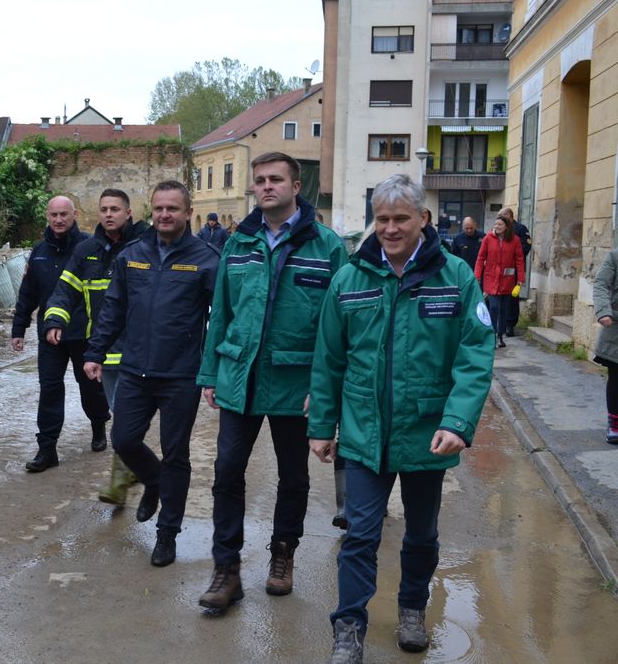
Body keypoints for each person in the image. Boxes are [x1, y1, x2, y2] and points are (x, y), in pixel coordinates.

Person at [307, 174, 494, 662]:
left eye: (400, 219)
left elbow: (475, 354)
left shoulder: (455, 276)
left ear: (423, 219)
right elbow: (329, 359)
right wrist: (321, 427)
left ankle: (412, 608)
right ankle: (348, 627)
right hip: (363, 432)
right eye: (382, 219)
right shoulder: (351, 278)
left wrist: (457, 422)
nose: (389, 229)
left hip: (426, 432)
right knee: (359, 534)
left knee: (422, 534)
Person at [195, 152, 347, 613]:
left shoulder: (327, 246)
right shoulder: (239, 242)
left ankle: (283, 554)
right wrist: (210, 374)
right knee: (226, 473)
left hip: (295, 383)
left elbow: (338, 328)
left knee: (293, 477)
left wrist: (325, 390)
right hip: (239, 377)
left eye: (275, 179)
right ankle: (227, 569)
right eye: (259, 180)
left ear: (295, 186)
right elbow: (221, 313)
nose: (266, 186)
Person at [83, 180, 219, 567]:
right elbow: (113, 308)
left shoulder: (208, 259)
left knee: (176, 454)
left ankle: (167, 534)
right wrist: (95, 352)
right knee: (123, 439)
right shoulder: (133, 255)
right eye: (159, 208)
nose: (164, 214)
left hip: (180, 376)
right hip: (135, 369)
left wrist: (213, 371)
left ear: (188, 212)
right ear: (151, 212)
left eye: (172, 208)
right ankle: (153, 480)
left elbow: (221, 320)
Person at [43, 189, 148, 505]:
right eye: (104, 209)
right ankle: (129, 469)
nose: (109, 214)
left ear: (129, 213)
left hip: (141, 349)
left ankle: (127, 478)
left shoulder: (146, 246)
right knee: (122, 414)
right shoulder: (87, 251)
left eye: (115, 208)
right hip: (106, 350)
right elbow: (66, 289)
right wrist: (55, 320)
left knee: (129, 416)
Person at [12, 196, 111, 473]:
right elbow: (28, 294)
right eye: (54, 214)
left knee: (90, 387)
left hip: (84, 333)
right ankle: (47, 449)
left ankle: (98, 424)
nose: (58, 220)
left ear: (74, 215)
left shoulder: (90, 247)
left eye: (63, 214)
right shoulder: (39, 251)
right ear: (47, 216)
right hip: (50, 335)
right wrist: (19, 328)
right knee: (50, 389)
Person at [474, 215, 524, 349]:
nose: (496, 227)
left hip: (507, 280)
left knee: (503, 310)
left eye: (500, 224)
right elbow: (480, 257)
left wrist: (520, 279)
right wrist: (477, 275)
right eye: (495, 224)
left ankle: (500, 335)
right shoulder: (488, 238)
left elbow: (519, 259)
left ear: (506, 227)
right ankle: (492, 335)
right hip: (491, 278)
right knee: (494, 307)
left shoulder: (515, 240)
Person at [591, 250, 618, 444]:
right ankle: (615, 424)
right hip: (616, 328)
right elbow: (601, 283)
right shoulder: (615, 256)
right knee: (616, 376)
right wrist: (603, 311)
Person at [498, 207, 531, 336]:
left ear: (508, 215)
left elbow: (526, 246)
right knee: (499, 295)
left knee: (512, 297)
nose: (498, 219)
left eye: (501, 215)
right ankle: (500, 322)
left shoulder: (520, 229)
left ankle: (510, 324)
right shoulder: (499, 229)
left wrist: (512, 257)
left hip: (514, 268)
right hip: (500, 269)